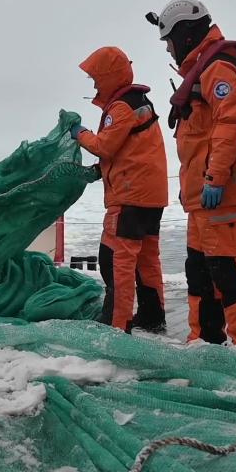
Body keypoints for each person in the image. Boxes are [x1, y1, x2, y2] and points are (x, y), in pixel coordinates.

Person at [146, 0, 236, 348]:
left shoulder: (218, 69)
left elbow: (231, 122)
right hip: (202, 201)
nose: (169, 49)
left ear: (185, 35)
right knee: (200, 274)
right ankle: (204, 343)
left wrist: (215, 179)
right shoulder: (202, 68)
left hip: (221, 195)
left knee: (230, 276)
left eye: (169, 40)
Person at [71, 46, 169, 333]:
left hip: (129, 197)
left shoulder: (121, 107)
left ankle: (117, 322)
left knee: (116, 259)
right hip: (151, 196)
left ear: (109, 75)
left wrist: (80, 134)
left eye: (96, 77)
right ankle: (153, 316)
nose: (94, 84)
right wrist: (101, 170)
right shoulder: (138, 102)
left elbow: (106, 146)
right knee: (147, 259)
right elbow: (132, 151)